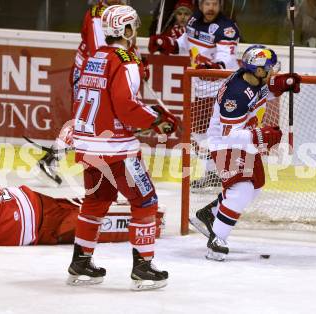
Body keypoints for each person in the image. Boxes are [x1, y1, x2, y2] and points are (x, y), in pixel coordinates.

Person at [66, 5, 178, 290]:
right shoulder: (125, 60)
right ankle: (143, 268)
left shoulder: (95, 56)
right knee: (145, 201)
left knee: (96, 201)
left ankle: (81, 263)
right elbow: (126, 108)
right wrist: (156, 120)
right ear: (126, 30)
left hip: (88, 144)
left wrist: (149, 112)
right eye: (133, 27)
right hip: (116, 149)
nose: (136, 32)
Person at [192, 45, 301, 261]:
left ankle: (211, 215)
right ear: (258, 71)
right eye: (270, 69)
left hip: (241, 139)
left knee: (256, 187)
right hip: (224, 143)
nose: (272, 71)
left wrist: (281, 84)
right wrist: (260, 136)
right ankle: (217, 241)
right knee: (241, 189)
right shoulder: (236, 95)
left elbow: (263, 91)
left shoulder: (251, 79)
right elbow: (228, 134)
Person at [36, 0, 151, 186]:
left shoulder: (117, 11)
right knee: (84, 118)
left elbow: (124, 44)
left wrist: (136, 59)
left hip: (100, 70)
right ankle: (52, 159)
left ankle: (54, 159)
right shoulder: (98, 14)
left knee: (92, 118)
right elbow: (103, 49)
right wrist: (131, 61)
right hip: (90, 72)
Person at [149, 0, 241, 189]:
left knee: (215, 133)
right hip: (201, 87)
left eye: (215, 4)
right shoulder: (193, 21)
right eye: (207, 3)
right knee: (199, 133)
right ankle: (213, 173)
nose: (211, 8)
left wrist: (215, 67)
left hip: (221, 87)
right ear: (200, 4)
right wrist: (165, 43)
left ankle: (223, 174)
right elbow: (182, 45)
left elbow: (226, 58)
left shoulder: (227, 28)